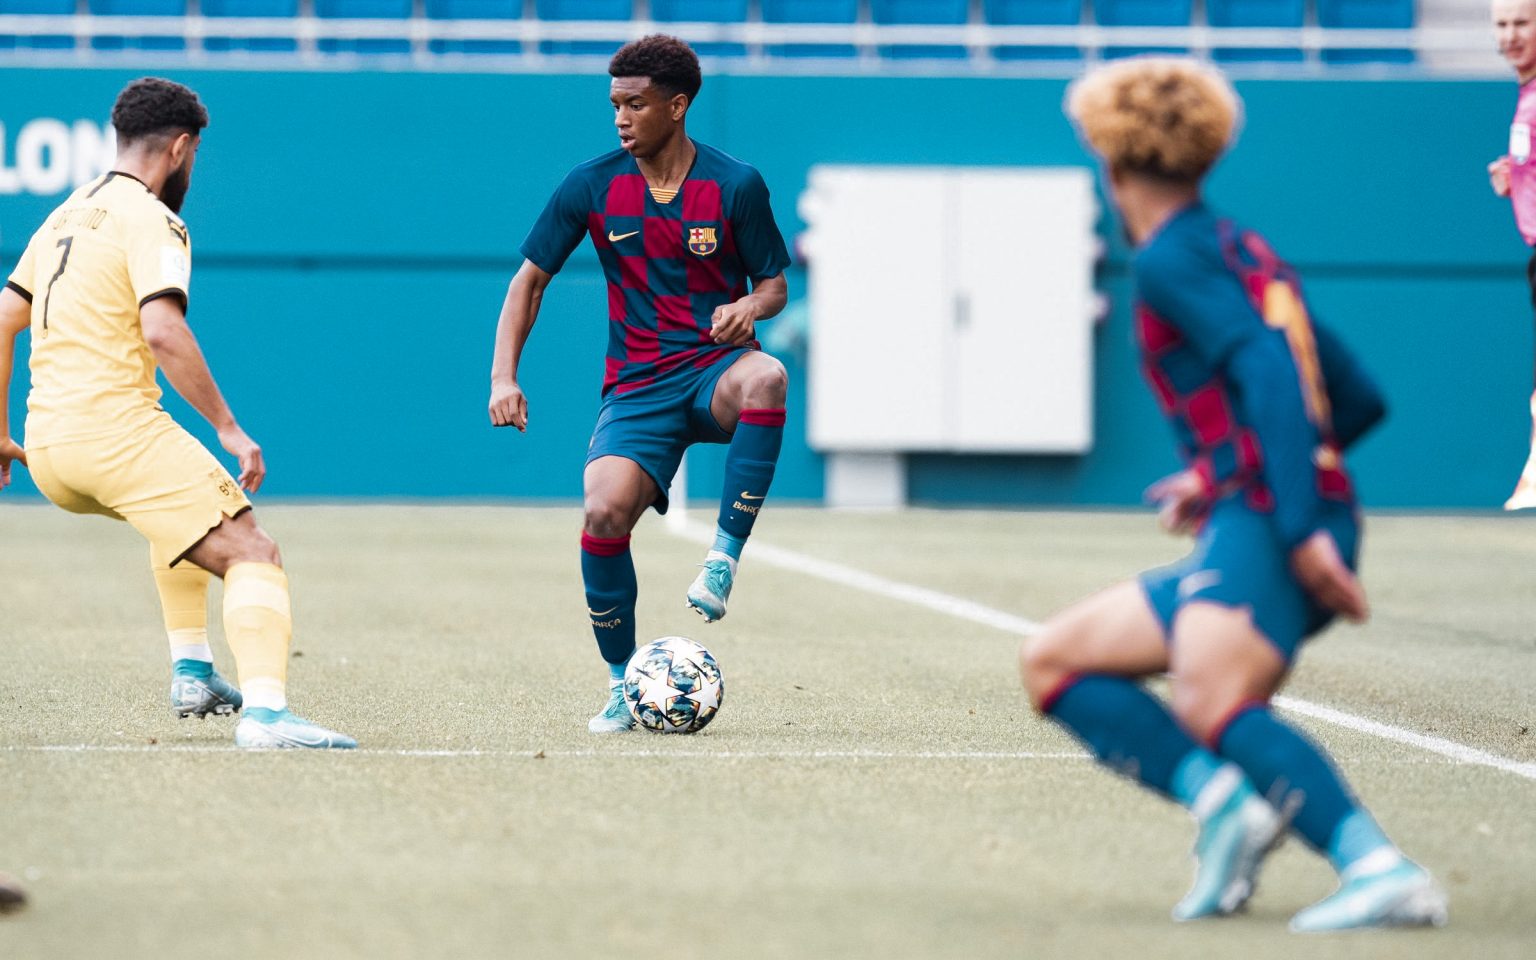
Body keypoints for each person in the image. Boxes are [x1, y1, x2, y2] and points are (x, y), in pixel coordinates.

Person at [1020, 57, 1447, 931]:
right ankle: (1226, 805)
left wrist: (1294, 526)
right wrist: (1218, 474)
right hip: (1262, 507)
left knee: (1212, 702)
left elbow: (1268, 373)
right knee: (1055, 661)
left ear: (1112, 160)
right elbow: (1353, 394)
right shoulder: (1237, 247)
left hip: (1272, 520)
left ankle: (1379, 868)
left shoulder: (1173, 258)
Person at [0, 77, 353, 750]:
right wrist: (228, 426)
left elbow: (2, 318)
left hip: (50, 450)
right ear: (183, 147)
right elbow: (162, 330)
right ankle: (269, 715)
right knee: (253, 549)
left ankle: (193, 670)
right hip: (115, 436)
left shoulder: (67, 213)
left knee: (181, 517)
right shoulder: (154, 218)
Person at [488, 35, 791, 734]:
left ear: (678, 106)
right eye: (614, 104)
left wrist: (748, 306)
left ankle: (721, 560)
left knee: (768, 377)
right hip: (639, 389)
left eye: (636, 103)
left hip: (715, 368)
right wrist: (505, 376)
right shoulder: (591, 185)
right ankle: (623, 682)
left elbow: (773, 284)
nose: (620, 117)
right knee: (601, 516)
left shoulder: (735, 184)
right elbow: (529, 281)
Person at [1490, 0, 1536, 509]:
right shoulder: (1527, 93)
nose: (1509, 35)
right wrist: (1517, 177)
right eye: (1500, 25)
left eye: (1521, 23)